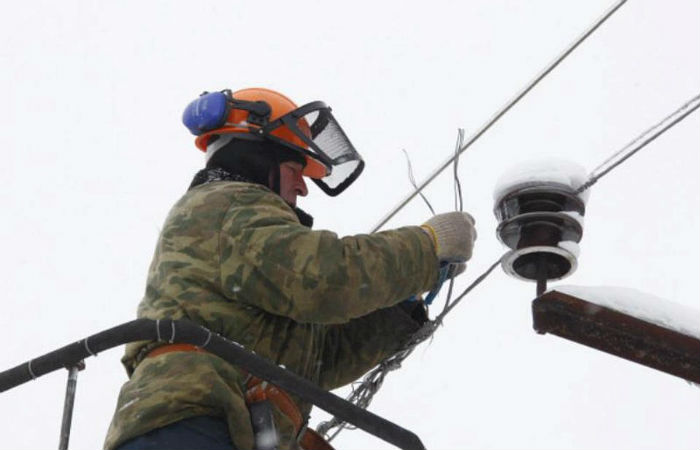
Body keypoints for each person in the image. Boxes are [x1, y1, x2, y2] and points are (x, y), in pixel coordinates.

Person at [104, 87, 476, 450]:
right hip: (194, 424)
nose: (302, 186)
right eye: (293, 167)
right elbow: (323, 279)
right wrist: (426, 248)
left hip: (227, 424)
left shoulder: (250, 246)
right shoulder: (227, 204)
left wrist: (401, 304)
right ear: (257, 158)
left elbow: (319, 360)